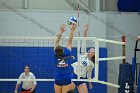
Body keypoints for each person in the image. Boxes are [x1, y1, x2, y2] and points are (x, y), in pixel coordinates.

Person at [53, 19, 77, 93]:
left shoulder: (54, 55)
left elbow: (56, 41)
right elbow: (70, 41)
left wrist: (60, 31)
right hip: (66, 78)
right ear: (63, 50)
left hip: (58, 77)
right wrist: (72, 31)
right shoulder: (67, 52)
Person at [71, 24, 95, 93]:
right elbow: (84, 41)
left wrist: (90, 84)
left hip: (82, 79)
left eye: (93, 49)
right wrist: (85, 31)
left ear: (94, 54)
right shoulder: (84, 53)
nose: (92, 49)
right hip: (74, 76)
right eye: (91, 49)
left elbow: (89, 75)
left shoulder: (91, 64)